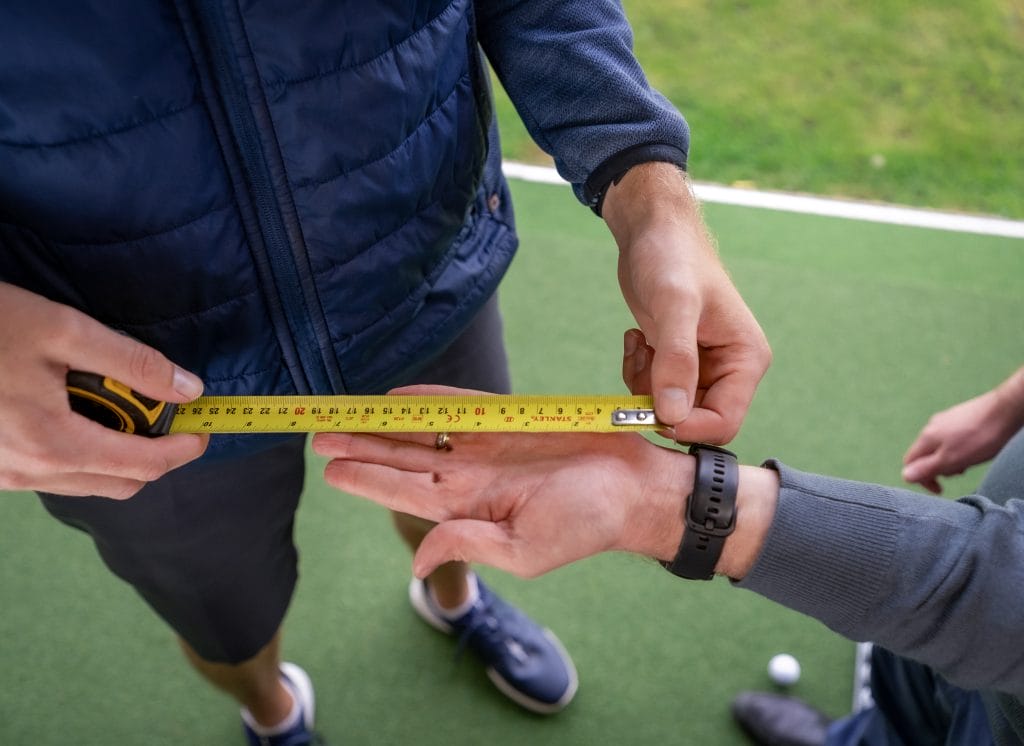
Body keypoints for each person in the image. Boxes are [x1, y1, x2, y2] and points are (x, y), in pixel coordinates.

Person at [0, 2, 771, 744]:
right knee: (226, 621)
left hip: (422, 279)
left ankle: (453, 598)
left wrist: (647, 189)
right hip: (119, 378)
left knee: (462, 509)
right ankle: (272, 712)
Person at [313, 334, 1024, 745]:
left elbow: (985, 594)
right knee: (910, 683)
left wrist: (659, 501)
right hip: (953, 589)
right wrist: (1009, 404)